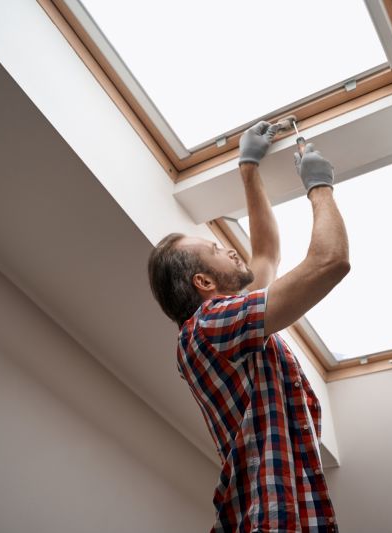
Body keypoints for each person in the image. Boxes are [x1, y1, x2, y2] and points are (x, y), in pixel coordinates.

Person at [147, 121, 350, 532]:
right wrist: (320, 188)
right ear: (203, 283)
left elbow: (265, 256)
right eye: (216, 250)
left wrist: (248, 168)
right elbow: (330, 262)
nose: (227, 248)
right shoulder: (207, 327)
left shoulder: (222, 329)